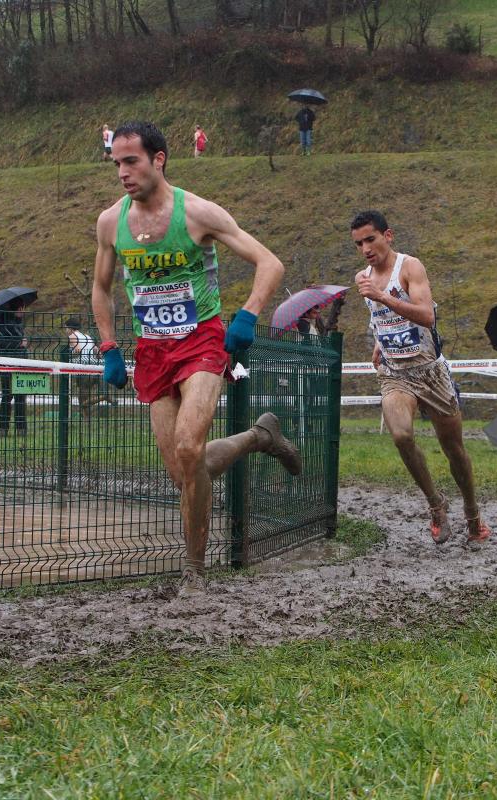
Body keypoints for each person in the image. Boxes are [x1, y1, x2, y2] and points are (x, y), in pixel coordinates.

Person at [92, 121, 302, 596]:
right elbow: (101, 288)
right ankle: (260, 436)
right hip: (152, 350)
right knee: (182, 470)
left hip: (202, 341)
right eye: (117, 163)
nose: (122, 172)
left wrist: (247, 316)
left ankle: (194, 570)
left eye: (132, 161)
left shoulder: (198, 213)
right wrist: (108, 346)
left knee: (190, 448)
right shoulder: (111, 223)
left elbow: (269, 262)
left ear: (159, 159)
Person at [352, 209, 491, 547]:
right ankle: (436, 504)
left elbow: (427, 316)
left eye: (371, 239)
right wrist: (378, 342)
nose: (366, 249)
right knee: (401, 435)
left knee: (454, 449)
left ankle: (472, 513)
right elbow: (379, 317)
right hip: (395, 374)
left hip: (431, 372)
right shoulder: (363, 277)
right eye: (358, 243)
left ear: (388, 235)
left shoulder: (410, 267)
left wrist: (382, 296)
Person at [64, 317, 109, 419]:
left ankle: (88, 415)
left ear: (70, 328)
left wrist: (68, 355)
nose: (66, 331)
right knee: (85, 395)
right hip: (94, 367)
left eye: (66, 328)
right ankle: (86, 417)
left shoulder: (72, 336)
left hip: (82, 368)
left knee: (82, 395)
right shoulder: (87, 336)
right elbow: (97, 351)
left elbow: (78, 350)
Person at [0, 302, 28, 437]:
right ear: (16, 309)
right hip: (7, 364)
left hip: (21, 364)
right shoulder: (4, 324)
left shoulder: (19, 324)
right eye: (21, 308)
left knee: (20, 396)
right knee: (7, 396)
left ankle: (21, 428)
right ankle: (3, 428)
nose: (23, 311)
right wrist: (19, 343)